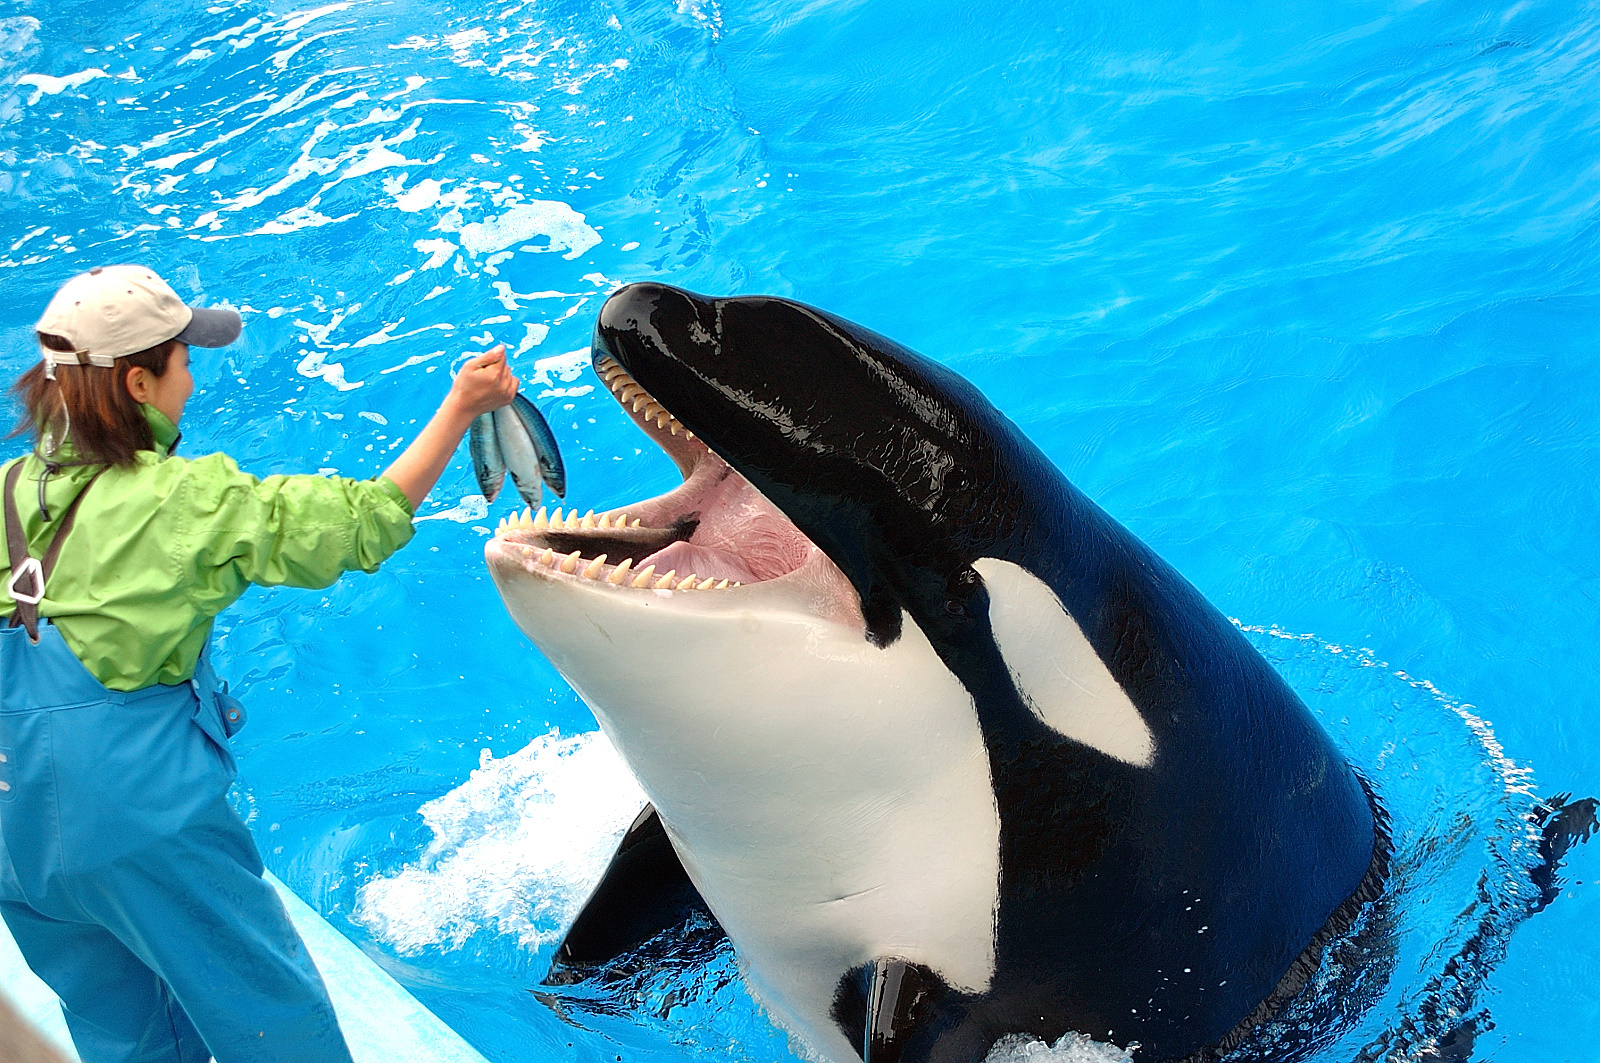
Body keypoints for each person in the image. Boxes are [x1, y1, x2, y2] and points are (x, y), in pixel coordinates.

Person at [0, 264, 519, 1063]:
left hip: (14, 835)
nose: (192, 376)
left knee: (128, 1039)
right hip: (140, 826)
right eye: (183, 360)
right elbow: (364, 523)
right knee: (279, 1027)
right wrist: (460, 408)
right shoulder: (182, 499)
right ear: (140, 381)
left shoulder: (6, 488)